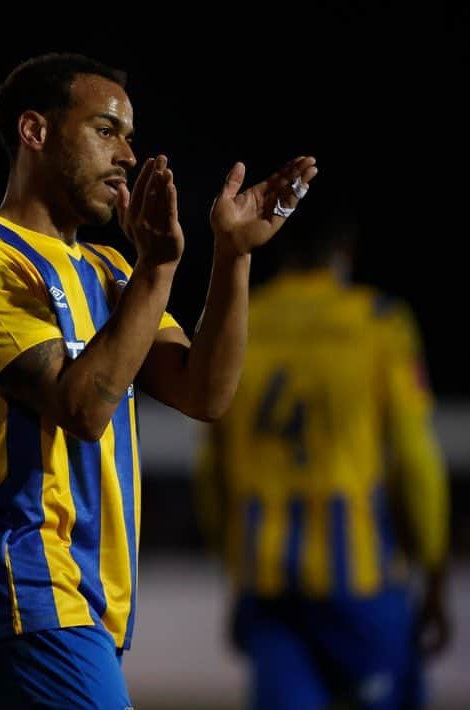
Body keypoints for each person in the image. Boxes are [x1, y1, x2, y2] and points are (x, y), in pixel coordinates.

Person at [0, 52, 317, 708]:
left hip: (86, 597)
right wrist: (158, 270)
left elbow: (204, 393)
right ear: (34, 131)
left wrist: (231, 257)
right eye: (105, 130)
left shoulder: (107, 270)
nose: (127, 155)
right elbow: (79, 409)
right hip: (26, 585)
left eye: (129, 136)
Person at [194, 195, 451, 709]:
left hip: (269, 584)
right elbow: (416, 460)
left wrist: (234, 569)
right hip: (360, 583)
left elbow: (212, 468)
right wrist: (435, 570)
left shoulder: (242, 322)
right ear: (345, 250)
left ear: (281, 245)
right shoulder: (378, 324)